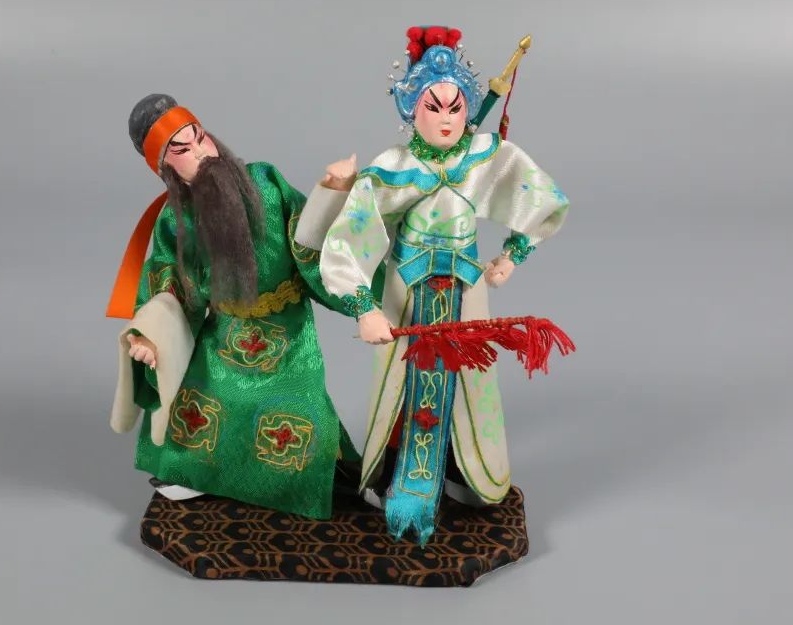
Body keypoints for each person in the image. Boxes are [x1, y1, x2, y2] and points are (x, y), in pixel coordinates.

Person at [309, 27, 570, 544]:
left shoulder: (483, 157)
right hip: (408, 291)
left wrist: (512, 255)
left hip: (466, 288)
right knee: (402, 382)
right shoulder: (393, 169)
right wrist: (363, 306)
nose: (447, 119)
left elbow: (541, 196)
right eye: (434, 107)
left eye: (456, 108)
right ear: (412, 109)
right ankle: (393, 475)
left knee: (470, 377)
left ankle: (467, 469)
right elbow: (348, 238)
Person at [107, 93, 373, 519]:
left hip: (286, 335)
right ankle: (195, 473)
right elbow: (169, 288)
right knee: (204, 403)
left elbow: (309, 244)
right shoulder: (176, 220)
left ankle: (326, 481)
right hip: (224, 334)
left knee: (301, 415)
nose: (200, 151)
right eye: (182, 149)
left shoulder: (265, 181)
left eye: (200, 137)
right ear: (165, 168)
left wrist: (333, 193)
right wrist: (149, 338)